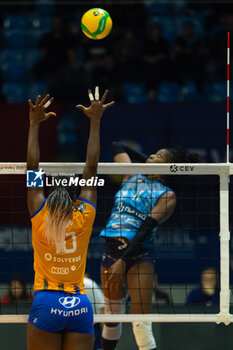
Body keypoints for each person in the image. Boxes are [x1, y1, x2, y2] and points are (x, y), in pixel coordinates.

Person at [26, 89, 114, 350]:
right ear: (75, 202)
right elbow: (91, 168)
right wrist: (95, 122)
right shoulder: (83, 216)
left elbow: (32, 166)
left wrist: (33, 125)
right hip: (80, 305)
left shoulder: (40, 214)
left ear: (48, 201)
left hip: (47, 302)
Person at [100, 142, 201, 350]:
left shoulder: (167, 195)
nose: (152, 156)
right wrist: (149, 161)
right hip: (111, 251)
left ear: (168, 166)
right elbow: (117, 145)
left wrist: (123, 261)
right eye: (152, 154)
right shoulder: (130, 174)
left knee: (141, 323)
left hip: (138, 255)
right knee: (111, 317)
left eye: (159, 156)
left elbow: (145, 229)